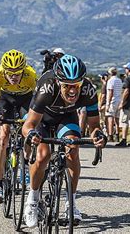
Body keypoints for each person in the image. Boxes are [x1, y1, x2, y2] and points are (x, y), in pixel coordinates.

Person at [21, 55, 106, 228]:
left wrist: (98, 135)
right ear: (58, 82)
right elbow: (29, 124)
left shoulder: (88, 90)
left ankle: (71, 204)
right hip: (42, 118)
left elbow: (94, 125)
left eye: (76, 85)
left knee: (73, 148)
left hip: (67, 117)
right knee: (43, 155)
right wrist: (31, 134)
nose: (73, 91)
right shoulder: (47, 88)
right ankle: (33, 200)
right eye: (67, 86)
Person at [0, 49, 37, 204]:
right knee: (3, 136)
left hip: (25, 99)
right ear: (4, 71)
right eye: (10, 73)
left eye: (17, 73)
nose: (14, 77)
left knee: (29, 127)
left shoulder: (31, 75)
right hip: (6, 99)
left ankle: (26, 163)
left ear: (23, 70)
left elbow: (39, 104)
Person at [105, 67, 123, 142]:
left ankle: (110, 135)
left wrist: (108, 104)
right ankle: (117, 135)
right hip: (119, 99)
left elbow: (110, 92)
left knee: (110, 118)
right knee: (117, 119)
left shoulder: (110, 81)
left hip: (113, 101)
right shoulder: (119, 80)